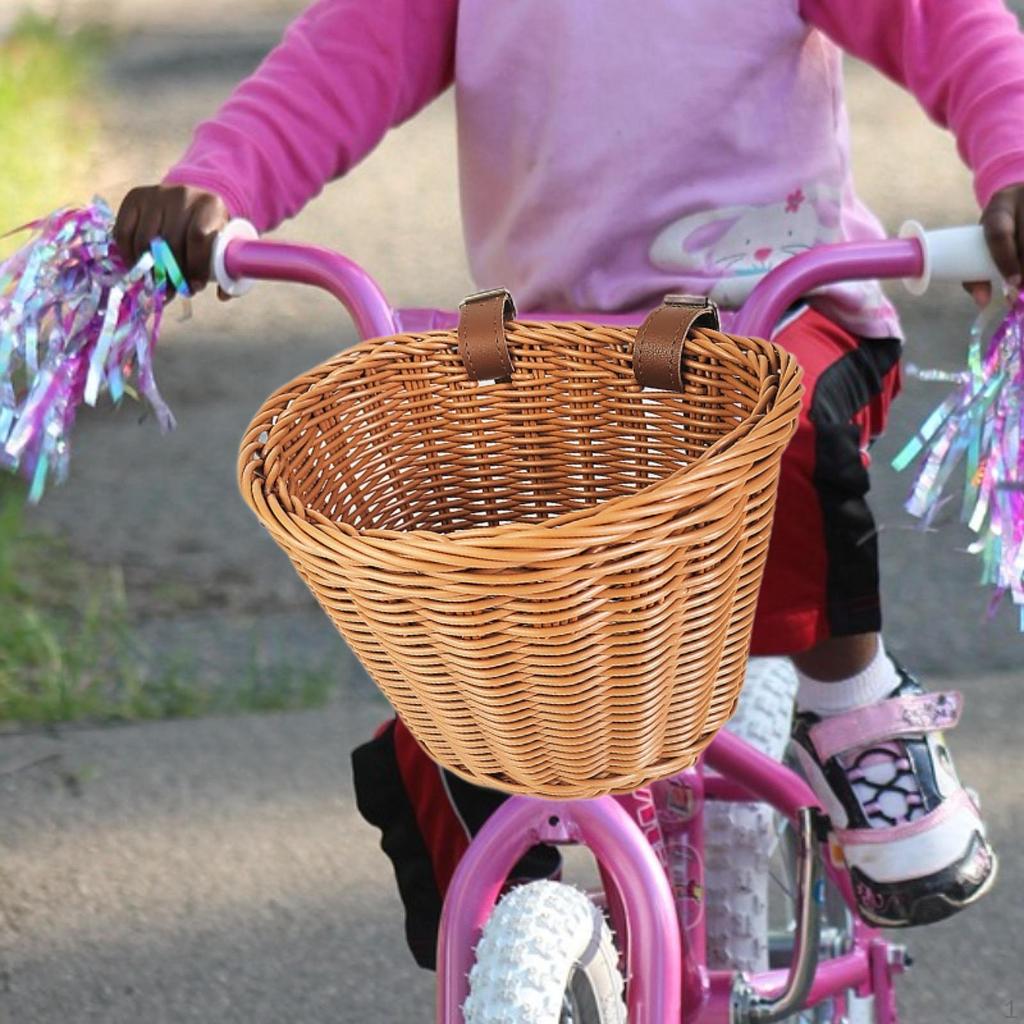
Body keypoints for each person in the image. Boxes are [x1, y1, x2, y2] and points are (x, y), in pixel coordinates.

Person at [116, 0, 1024, 968]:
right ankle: (510, 925)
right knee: (464, 612)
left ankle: (848, 700)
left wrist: (1010, 162)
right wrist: (216, 182)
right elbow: (344, 55)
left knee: (783, 431)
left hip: (766, 299)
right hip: (558, 356)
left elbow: (950, 28)